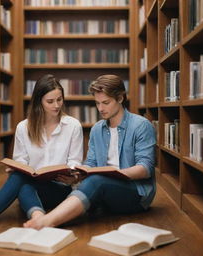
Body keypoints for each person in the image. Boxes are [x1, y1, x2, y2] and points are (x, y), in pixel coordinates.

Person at [22, 74, 156, 229]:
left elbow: (145, 168)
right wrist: (77, 176)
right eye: (97, 103)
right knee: (90, 182)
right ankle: (46, 215)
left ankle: (47, 221)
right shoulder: (97, 129)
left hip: (135, 193)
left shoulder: (141, 126)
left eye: (106, 102)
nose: (101, 108)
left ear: (120, 98)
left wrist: (113, 174)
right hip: (103, 189)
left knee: (97, 181)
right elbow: (90, 164)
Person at [0, 74, 83, 231]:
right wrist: (18, 167)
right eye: (50, 101)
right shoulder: (24, 127)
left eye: (59, 99)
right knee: (20, 177)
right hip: (32, 186)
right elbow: (21, 160)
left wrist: (72, 176)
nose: (56, 105)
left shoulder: (73, 126)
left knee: (21, 181)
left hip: (60, 189)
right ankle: (38, 217)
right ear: (39, 102)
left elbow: (75, 162)